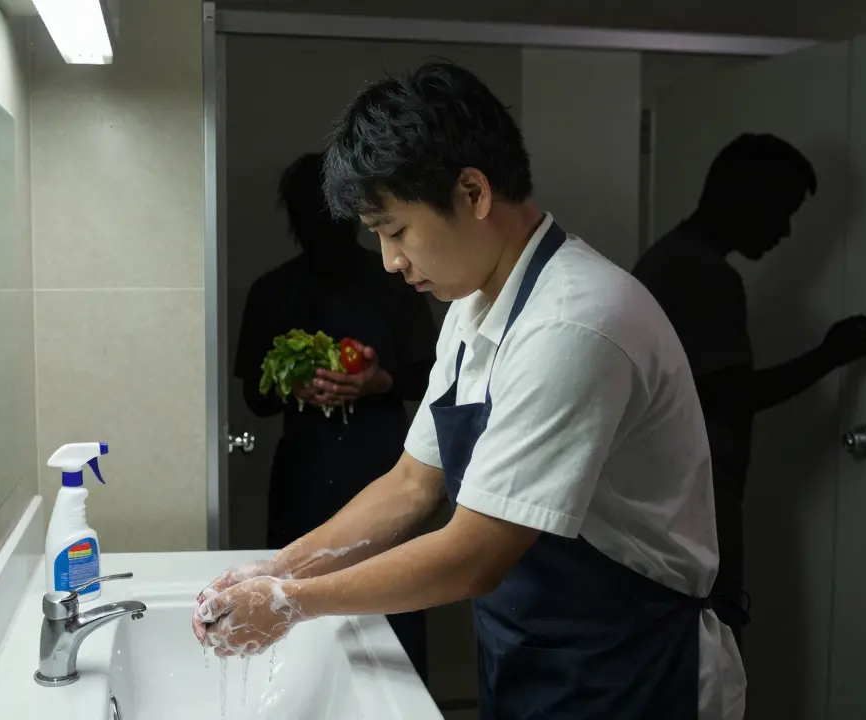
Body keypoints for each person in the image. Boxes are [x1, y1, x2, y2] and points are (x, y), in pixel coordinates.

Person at [195, 62, 745, 719]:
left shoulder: (574, 322)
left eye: (396, 230)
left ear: (473, 192)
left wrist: (292, 604)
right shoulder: (477, 303)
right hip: (538, 655)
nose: (391, 260)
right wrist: (279, 571)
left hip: (636, 669)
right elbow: (410, 485)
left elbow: (476, 553)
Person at [632, 134, 866, 642]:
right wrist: (829, 355)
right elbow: (731, 393)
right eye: (781, 211)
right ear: (744, 197)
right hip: (692, 501)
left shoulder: (669, 258)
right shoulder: (703, 275)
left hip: (666, 500)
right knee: (710, 654)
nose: (785, 231)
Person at [232, 152, 438, 683]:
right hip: (303, 474)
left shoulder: (398, 283)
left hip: (384, 471)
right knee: (293, 613)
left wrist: (379, 381)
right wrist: (289, 386)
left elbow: (432, 379)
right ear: (296, 220)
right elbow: (253, 398)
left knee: (394, 617)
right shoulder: (273, 292)